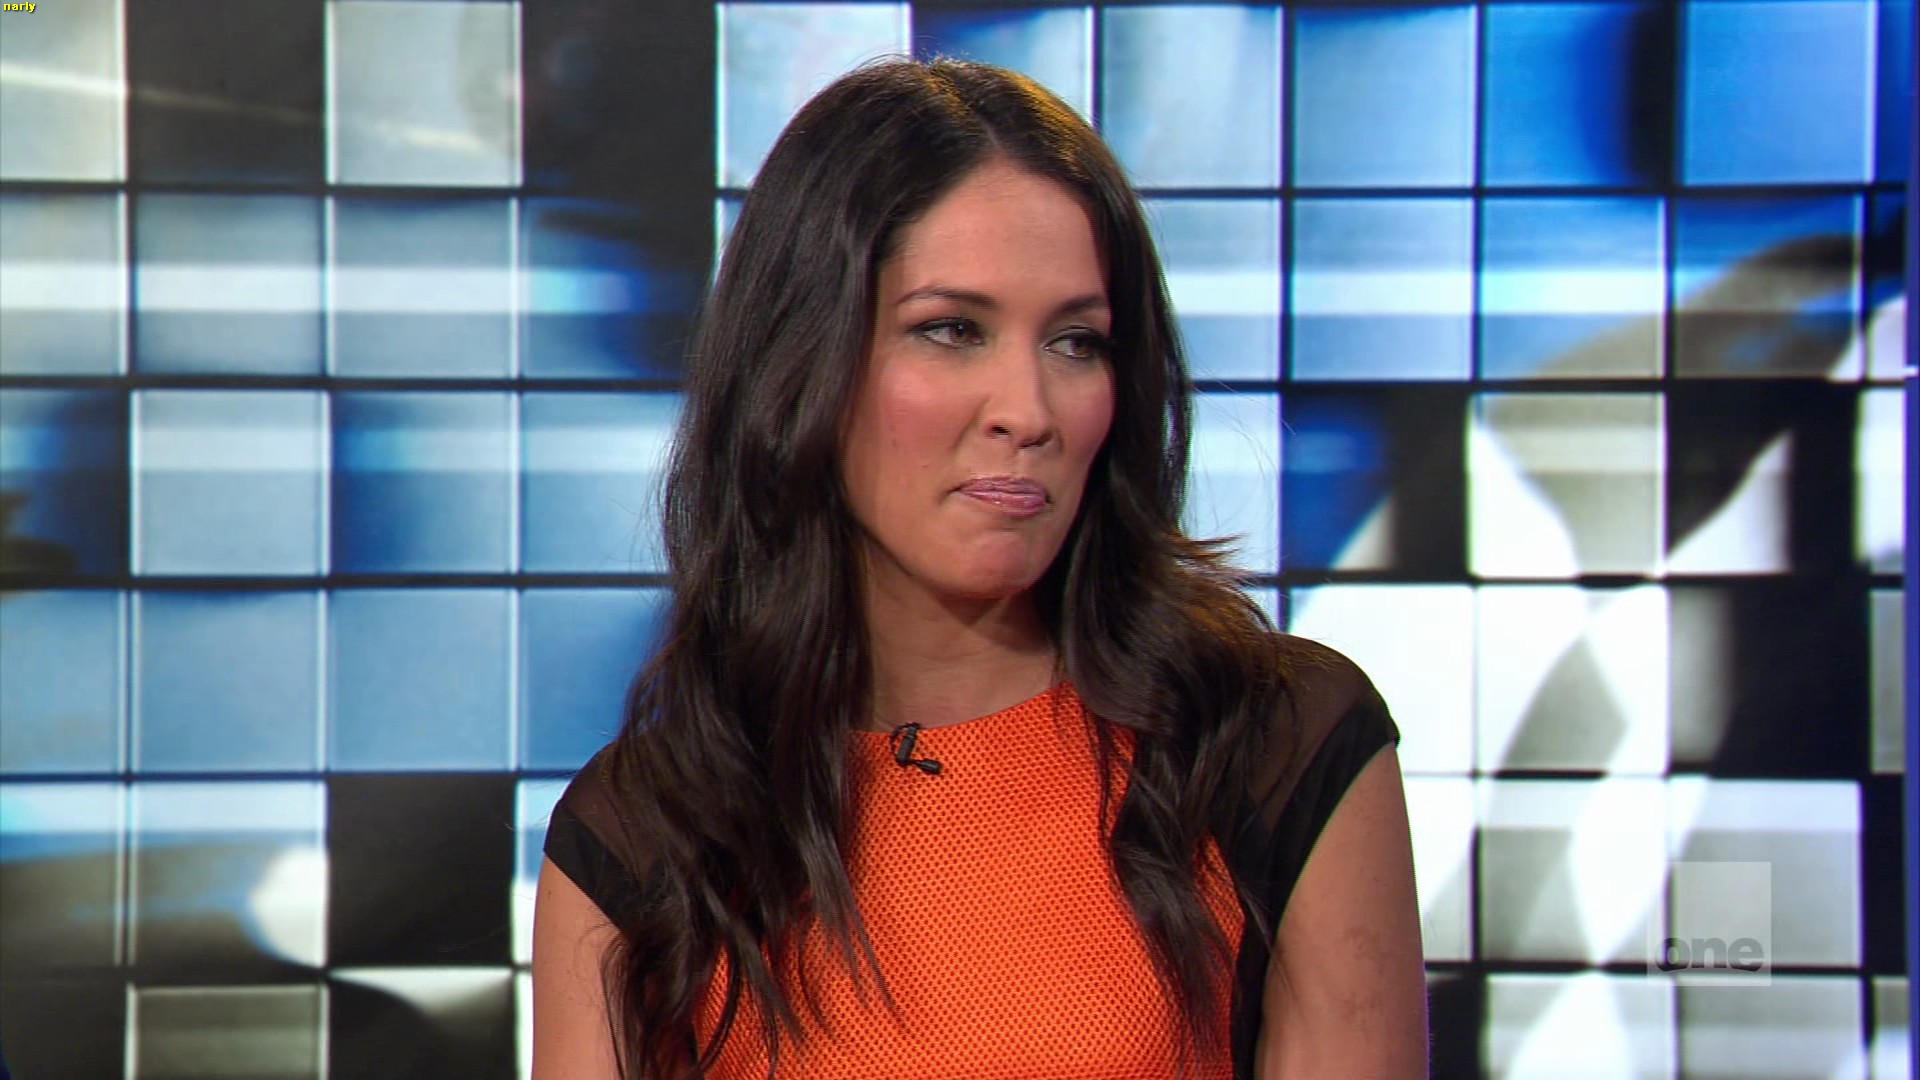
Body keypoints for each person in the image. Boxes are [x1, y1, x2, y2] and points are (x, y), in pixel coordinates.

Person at [532, 58, 1429, 1080]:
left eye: (1077, 343)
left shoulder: (1271, 747)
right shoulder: (644, 836)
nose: (1029, 411)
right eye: (952, 330)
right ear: (799, 365)